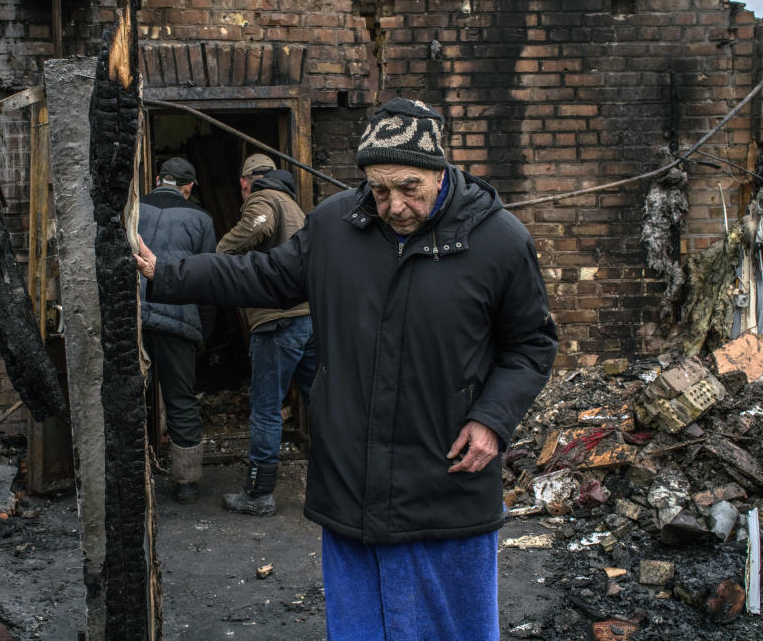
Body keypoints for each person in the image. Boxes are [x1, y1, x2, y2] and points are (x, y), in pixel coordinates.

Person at [135, 98, 557, 639]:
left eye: (410, 189)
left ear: (441, 170)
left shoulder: (499, 240)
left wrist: (493, 420)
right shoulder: (335, 226)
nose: (395, 205)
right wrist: (165, 272)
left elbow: (532, 344)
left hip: (445, 477)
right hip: (352, 477)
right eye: (380, 189)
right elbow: (261, 276)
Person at [215, 153, 316, 517]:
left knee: (266, 409)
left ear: (246, 181)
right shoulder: (295, 206)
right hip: (307, 318)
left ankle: (259, 494)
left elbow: (258, 226)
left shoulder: (263, 197)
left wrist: (220, 255)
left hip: (277, 321)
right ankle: (336, 483)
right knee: (321, 401)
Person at [138, 156, 216, 504]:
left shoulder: (133, 210)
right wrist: (204, 329)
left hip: (134, 316)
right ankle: (185, 483)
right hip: (179, 319)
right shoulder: (200, 218)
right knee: (181, 398)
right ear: (189, 188)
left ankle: (128, 477)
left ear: (157, 179)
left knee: (128, 396)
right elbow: (208, 279)